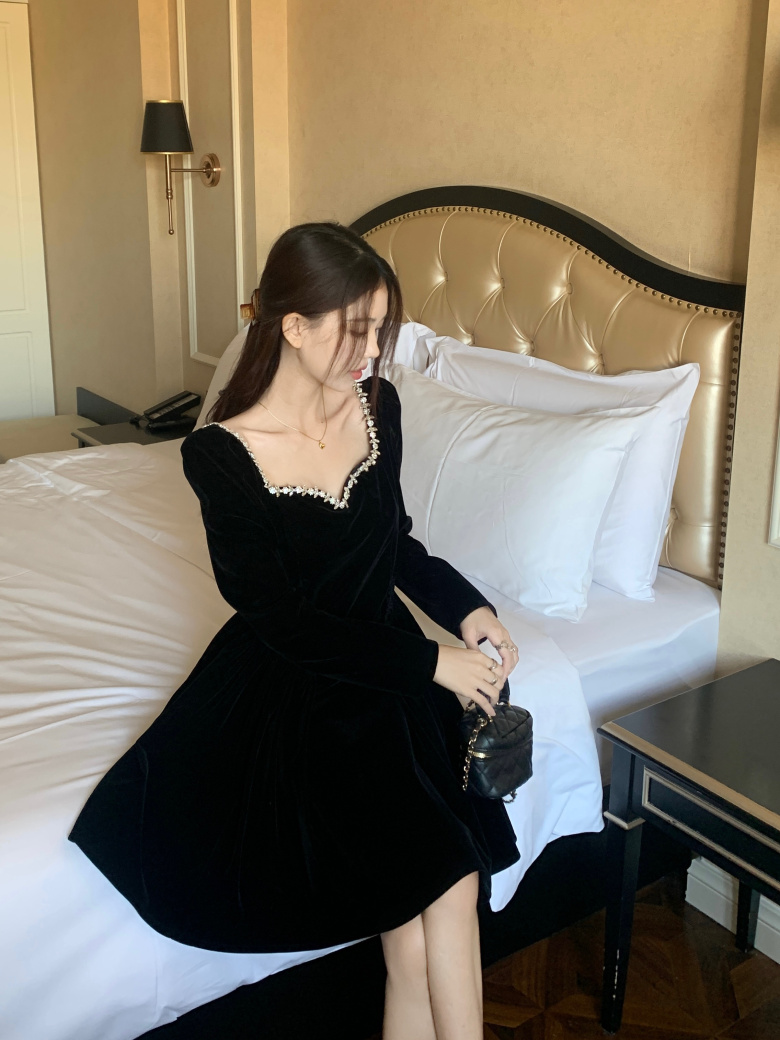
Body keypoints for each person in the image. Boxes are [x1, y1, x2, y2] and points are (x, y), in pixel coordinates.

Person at [68, 221, 521, 1040]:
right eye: (358, 330)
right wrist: (435, 664)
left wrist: (468, 609)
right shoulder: (220, 455)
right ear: (295, 327)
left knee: (436, 904)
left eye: (381, 330)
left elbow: (395, 545)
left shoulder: (378, 407)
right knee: (427, 905)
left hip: (396, 677)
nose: (373, 351)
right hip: (307, 691)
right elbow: (282, 621)